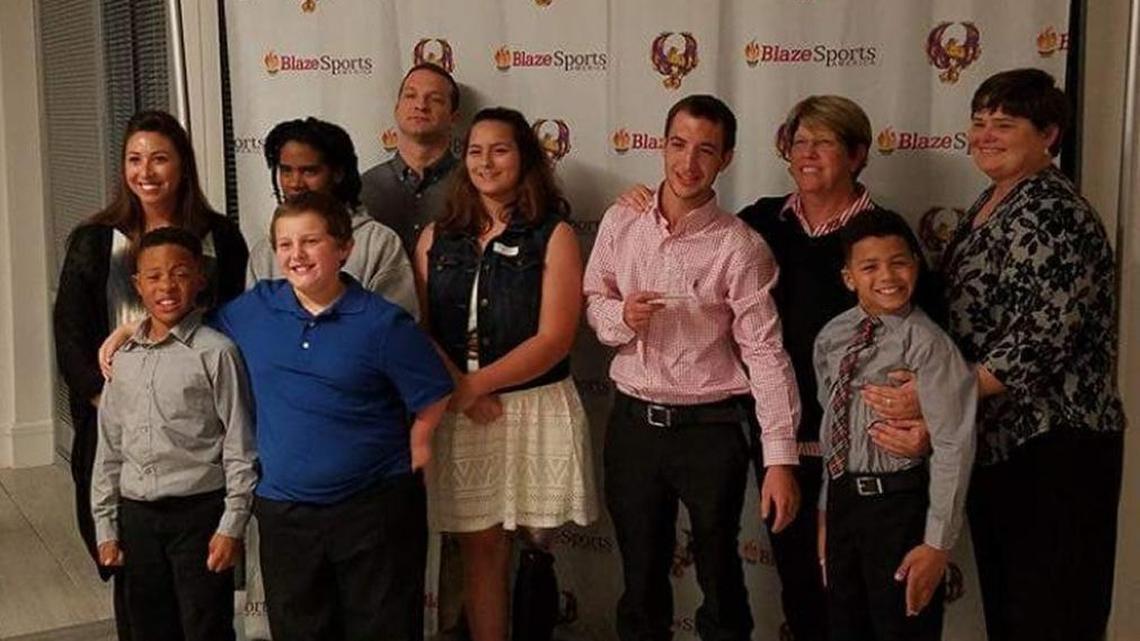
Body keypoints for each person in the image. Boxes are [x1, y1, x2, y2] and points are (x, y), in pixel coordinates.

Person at [614, 95, 936, 641]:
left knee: (874, 601)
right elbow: (691, 237)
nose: (808, 155)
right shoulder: (761, 222)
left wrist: (924, 409)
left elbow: (930, 339)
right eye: (799, 142)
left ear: (857, 155)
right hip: (783, 443)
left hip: (867, 448)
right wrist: (641, 209)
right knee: (804, 594)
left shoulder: (884, 234)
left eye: (825, 143)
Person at [102, 190, 454, 640]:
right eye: (285, 245)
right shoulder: (254, 309)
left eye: (310, 242)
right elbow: (187, 321)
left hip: (372, 510)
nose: (296, 255)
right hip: (285, 513)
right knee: (299, 628)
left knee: (380, 627)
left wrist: (421, 440)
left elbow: (435, 392)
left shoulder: (382, 323)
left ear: (344, 247)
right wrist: (133, 327)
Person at [584, 94, 801, 641]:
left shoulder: (741, 246)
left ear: (726, 158)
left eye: (706, 150)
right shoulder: (621, 220)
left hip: (711, 429)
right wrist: (622, 318)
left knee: (720, 573)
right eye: (678, 145)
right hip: (633, 425)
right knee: (639, 577)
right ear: (661, 145)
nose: (688, 163)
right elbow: (595, 300)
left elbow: (766, 354)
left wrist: (780, 458)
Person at [938, 68, 1125, 641]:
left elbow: (1041, 339)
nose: (985, 135)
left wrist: (942, 393)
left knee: (1052, 613)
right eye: (978, 122)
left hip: (1055, 445)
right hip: (1002, 441)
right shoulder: (994, 199)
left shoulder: (1053, 210)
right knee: (1013, 611)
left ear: (1049, 134)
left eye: (1005, 124)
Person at [53, 109, 248, 640]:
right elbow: (70, 335)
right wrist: (110, 404)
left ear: (183, 165)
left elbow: (231, 321)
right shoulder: (95, 239)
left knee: (203, 601)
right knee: (137, 588)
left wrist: (143, 328)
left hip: (196, 432)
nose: (147, 171)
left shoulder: (220, 238)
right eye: (135, 159)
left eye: (160, 158)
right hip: (117, 428)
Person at [413, 107, 598, 641]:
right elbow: (420, 329)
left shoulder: (553, 234)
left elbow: (555, 338)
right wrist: (462, 391)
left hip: (533, 404)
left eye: (500, 149)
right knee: (480, 548)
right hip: (462, 409)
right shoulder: (435, 237)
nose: (486, 161)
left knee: (538, 546)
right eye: (475, 150)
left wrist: (475, 386)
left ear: (525, 159)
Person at [813, 210, 975, 641]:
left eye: (899, 262)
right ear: (849, 277)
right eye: (870, 266)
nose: (887, 276)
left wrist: (937, 543)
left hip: (899, 507)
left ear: (916, 266)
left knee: (901, 628)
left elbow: (953, 445)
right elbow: (833, 431)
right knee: (846, 627)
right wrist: (828, 513)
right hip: (845, 503)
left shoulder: (929, 346)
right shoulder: (832, 337)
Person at [91, 227, 256, 641]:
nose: (167, 285)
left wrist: (232, 523)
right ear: (137, 285)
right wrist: (106, 526)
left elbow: (239, 445)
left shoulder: (217, 352)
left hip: (199, 515)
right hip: (138, 518)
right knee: (148, 625)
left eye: (180, 273)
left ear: (200, 277)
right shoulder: (122, 360)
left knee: (205, 626)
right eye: (154, 276)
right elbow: (109, 449)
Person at [247, 117, 417, 316]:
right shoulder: (265, 251)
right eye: (286, 171)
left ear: (337, 173)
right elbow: (254, 324)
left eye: (309, 171)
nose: (295, 183)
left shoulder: (378, 243)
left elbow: (398, 329)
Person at [362, 63, 460, 254]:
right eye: (410, 95)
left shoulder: (473, 186)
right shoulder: (364, 188)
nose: (421, 105)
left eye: (435, 100)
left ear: (453, 117)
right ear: (397, 109)